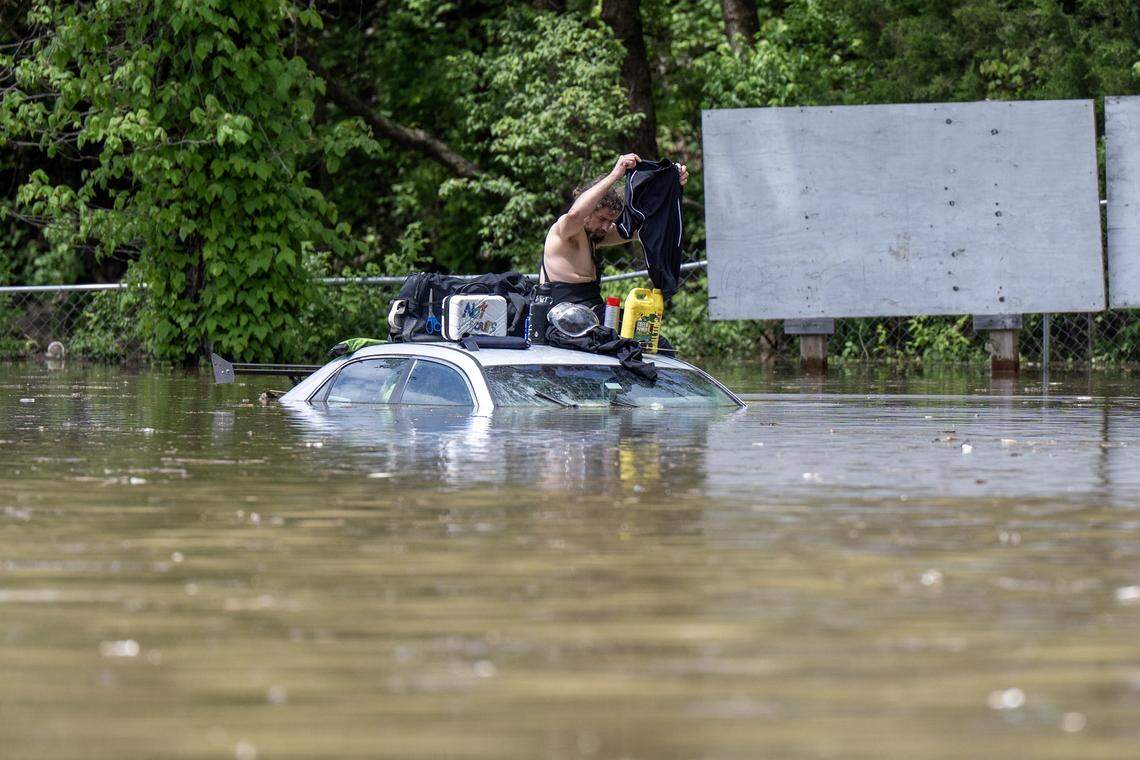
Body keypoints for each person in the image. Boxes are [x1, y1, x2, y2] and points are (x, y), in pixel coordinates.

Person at [541, 153, 688, 319]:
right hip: (562, 317)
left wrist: (671, 187)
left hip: (592, 313)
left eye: (610, 221)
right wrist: (615, 175)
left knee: (649, 335)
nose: (606, 227)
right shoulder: (565, 231)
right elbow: (575, 213)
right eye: (602, 219)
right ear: (589, 212)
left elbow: (645, 229)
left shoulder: (596, 236)